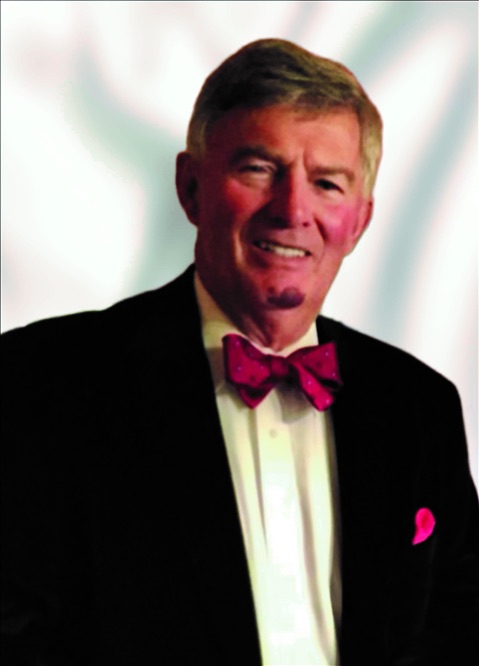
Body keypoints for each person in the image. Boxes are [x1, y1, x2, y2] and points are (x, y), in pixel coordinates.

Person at [2, 38, 478, 666]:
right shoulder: (41, 381)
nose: (293, 210)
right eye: (259, 169)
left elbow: (461, 628)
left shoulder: (420, 406)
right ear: (190, 187)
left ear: (359, 222)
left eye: (326, 183)